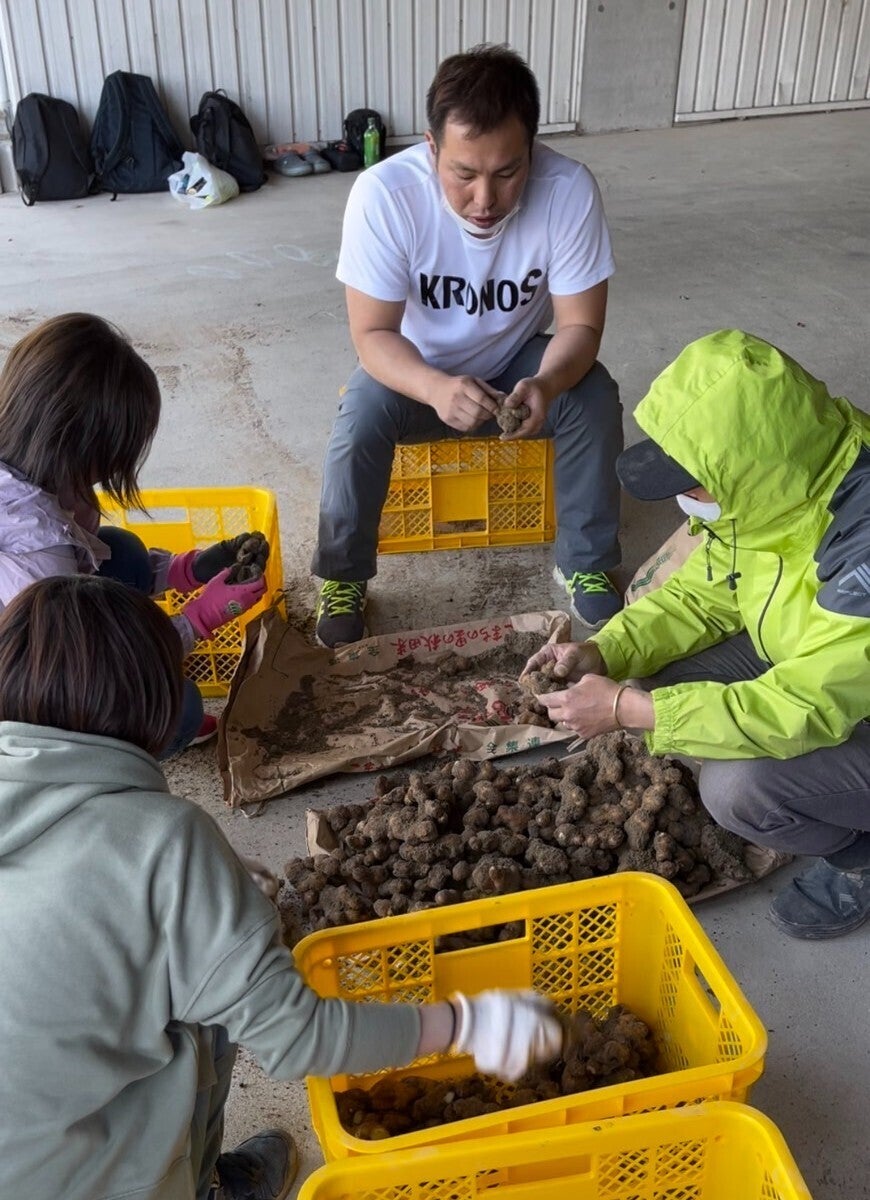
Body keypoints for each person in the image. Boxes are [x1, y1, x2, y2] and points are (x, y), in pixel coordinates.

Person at [0, 574, 564, 1200]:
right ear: (150, 705)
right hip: (79, 1182)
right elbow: (297, 1037)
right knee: (217, 1016)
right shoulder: (162, 839)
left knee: (202, 982)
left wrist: (194, 888)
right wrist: (467, 1024)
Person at [522, 328, 870, 941]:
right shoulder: (774, 491)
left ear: (750, 466)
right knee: (653, 673)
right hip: (826, 671)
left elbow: (806, 703)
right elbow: (703, 596)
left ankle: (859, 856)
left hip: (833, 694)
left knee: (739, 790)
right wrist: (603, 649)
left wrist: (630, 711)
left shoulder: (859, 546)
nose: (683, 498)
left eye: (692, 482)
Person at [312, 43, 623, 648]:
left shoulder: (568, 190)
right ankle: (343, 576)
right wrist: (433, 387)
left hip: (516, 361)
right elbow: (372, 334)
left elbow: (581, 328)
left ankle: (585, 559)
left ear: (531, 149)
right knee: (361, 413)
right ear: (431, 147)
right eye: (463, 174)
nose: (485, 200)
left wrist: (546, 383)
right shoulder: (385, 196)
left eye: (507, 173)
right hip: (416, 366)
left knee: (592, 393)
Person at [0, 312, 268, 755]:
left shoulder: (32, 466)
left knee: (121, 551)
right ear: (79, 445)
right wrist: (199, 619)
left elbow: (89, 559)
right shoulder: (38, 552)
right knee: (178, 707)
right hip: (39, 691)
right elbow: (100, 667)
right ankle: (140, 743)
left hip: (49, 633)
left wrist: (188, 570)